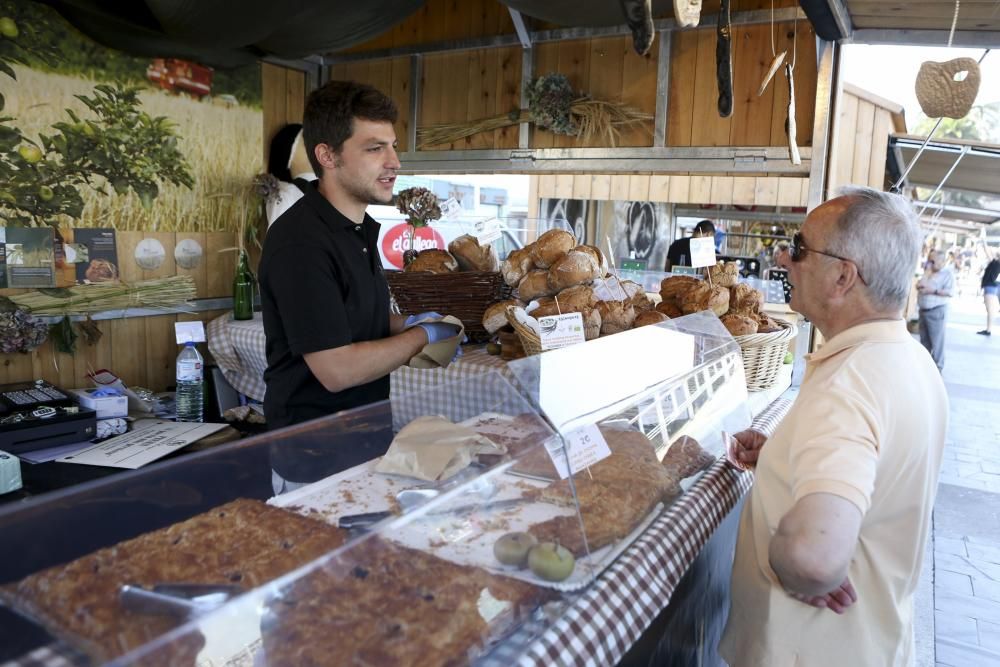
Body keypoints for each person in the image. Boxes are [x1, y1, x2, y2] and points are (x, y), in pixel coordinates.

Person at [719, 187, 948, 666]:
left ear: (843, 275)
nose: (785, 258)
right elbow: (876, 471)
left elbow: (814, 556)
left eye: (800, 249)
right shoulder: (909, 358)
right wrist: (784, 454)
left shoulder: (851, 382)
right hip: (872, 644)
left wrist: (796, 566)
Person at [259, 80, 460, 444]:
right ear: (327, 156)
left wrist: (407, 322)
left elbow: (346, 317)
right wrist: (419, 336)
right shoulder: (301, 243)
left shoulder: (357, 231)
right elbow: (337, 369)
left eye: (393, 147)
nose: (394, 162)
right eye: (374, 148)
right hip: (313, 453)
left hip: (364, 437)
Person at [916, 248, 954, 371]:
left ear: (942, 261)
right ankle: (925, 367)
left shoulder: (947, 274)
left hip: (936, 311)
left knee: (937, 342)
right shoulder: (928, 272)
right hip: (923, 311)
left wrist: (933, 291)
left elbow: (950, 292)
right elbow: (919, 285)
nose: (930, 263)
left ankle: (937, 368)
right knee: (924, 341)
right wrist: (925, 276)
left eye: (932, 260)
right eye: (929, 260)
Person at [978, 250, 1000, 336]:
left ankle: (988, 330)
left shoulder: (995, 263)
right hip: (992, 285)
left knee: (990, 309)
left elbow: (988, 252)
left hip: (990, 286)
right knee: (990, 309)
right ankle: (988, 329)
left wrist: (984, 242)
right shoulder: (995, 263)